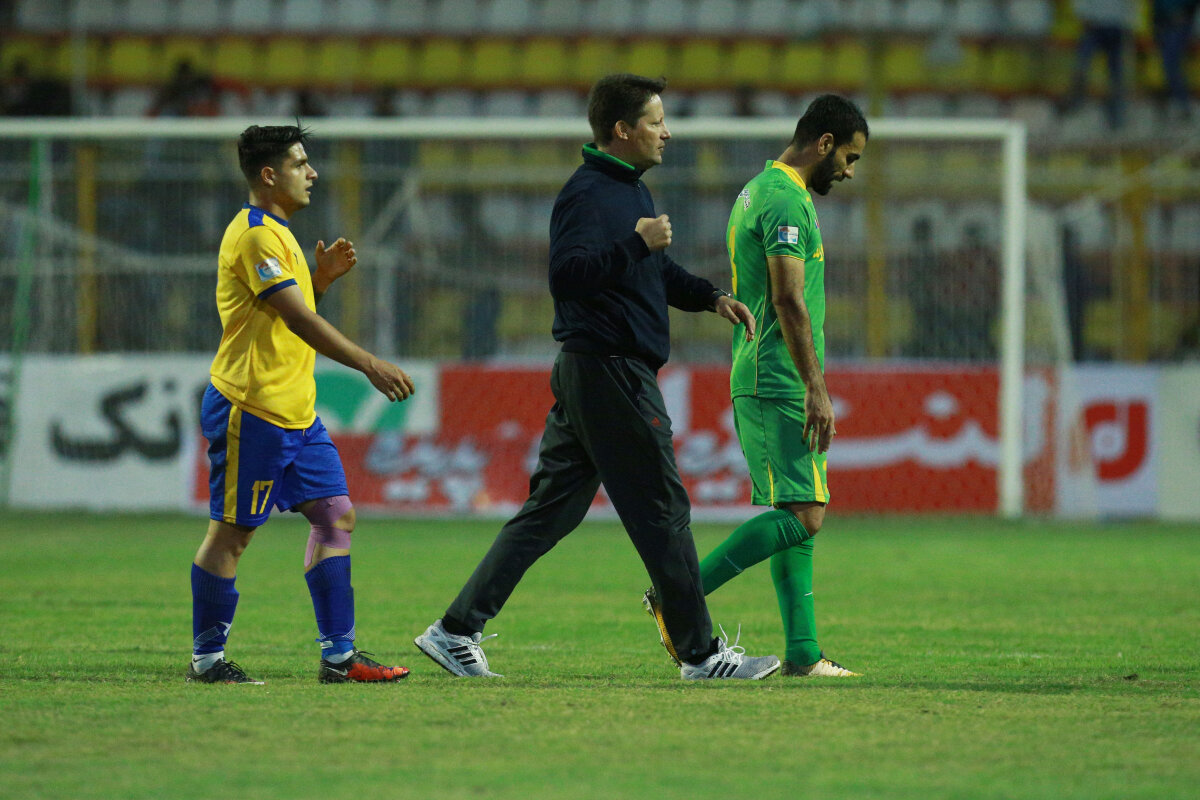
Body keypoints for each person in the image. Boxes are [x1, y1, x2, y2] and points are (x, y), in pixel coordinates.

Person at [414, 73, 780, 681]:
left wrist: (710, 296)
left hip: (594, 372)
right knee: (663, 509)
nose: (667, 132)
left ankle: (455, 629)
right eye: (656, 121)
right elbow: (566, 276)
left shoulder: (628, 190)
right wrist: (636, 245)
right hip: (611, 371)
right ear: (622, 130)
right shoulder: (588, 193)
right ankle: (701, 654)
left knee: (550, 512)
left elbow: (652, 273)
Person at [646, 95, 868, 677]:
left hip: (772, 370)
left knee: (798, 507)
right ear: (824, 143)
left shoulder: (758, 189)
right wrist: (815, 386)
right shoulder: (784, 198)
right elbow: (788, 298)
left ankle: (804, 653)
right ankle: (678, 596)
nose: (849, 171)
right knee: (806, 513)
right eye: (849, 157)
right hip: (777, 374)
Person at [188, 124, 415, 685]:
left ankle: (340, 658)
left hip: (296, 412)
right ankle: (208, 661)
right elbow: (298, 320)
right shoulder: (255, 236)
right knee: (233, 535)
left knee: (337, 517)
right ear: (269, 175)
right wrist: (369, 363)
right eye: (300, 163)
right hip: (251, 407)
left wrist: (320, 279)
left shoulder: (281, 234)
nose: (312, 172)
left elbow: (286, 309)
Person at [1062, 0, 1136, 129]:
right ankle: (1075, 103)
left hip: (1116, 28)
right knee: (1081, 66)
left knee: (1117, 77)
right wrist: (1083, 16)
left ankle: (1117, 117)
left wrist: (1128, 24)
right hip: (1094, 26)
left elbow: (1130, 5)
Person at [1153, 0, 1199, 121]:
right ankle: (1176, 103)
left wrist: (1185, 14)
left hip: (1179, 24)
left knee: (1171, 66)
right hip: (1163, 25)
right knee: (1168, 67)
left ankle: (1181, 103)